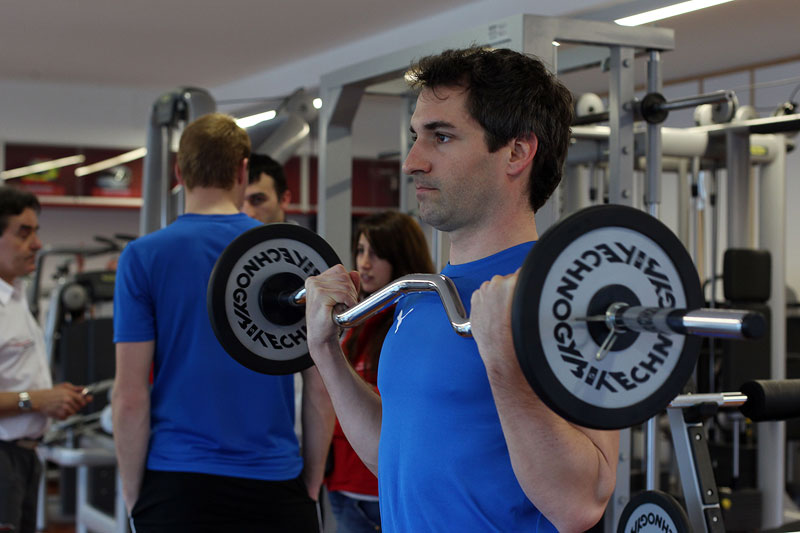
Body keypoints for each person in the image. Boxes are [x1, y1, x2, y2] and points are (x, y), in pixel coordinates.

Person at [304, 47, 619, 532]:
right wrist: (326, 354)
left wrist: (503, 365)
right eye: (416, 137)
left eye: (442, 137)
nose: (411, 162)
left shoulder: (568, 297)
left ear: (517, 152)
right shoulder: (420, 293)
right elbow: (393, 455)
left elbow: (580, 503)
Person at [112, 113, 334, 532]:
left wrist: (134, 497)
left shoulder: (142, 257)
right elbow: (321, 389)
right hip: (274, 483)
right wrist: (310, 485)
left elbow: (129, 396)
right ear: (243, 170)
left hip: (175, 485)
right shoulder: (290, 255)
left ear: (179, 172)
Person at [325, 211, 434, 533]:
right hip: (343, 485)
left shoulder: (414, 322)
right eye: (360, 251)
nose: (365, 263)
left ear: (399, 256)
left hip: (383, 488)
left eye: (376, 253)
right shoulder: (357, 318)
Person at [0, 186, 91, 533]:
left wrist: (53, 399)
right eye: (24, 233)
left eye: (36, 232)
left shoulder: (16, 295)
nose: (37, 243)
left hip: (25, 457)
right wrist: (39, 400)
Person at [242, 153, 291, 224]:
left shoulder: (304, 235)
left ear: (284, 199)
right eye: (238, 203)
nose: (247, 213)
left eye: (258, 199)